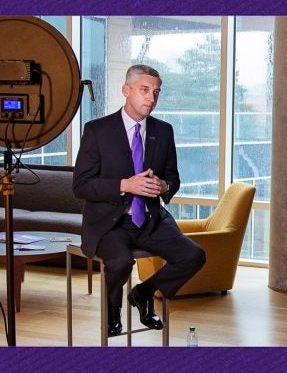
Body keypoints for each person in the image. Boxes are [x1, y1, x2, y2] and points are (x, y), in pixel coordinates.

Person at [73, 64, 206, 337]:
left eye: (156, 92)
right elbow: (81, 185)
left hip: (151, 218)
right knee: (120, 262)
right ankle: (112, 311)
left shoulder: (164, 131)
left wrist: (164, 185)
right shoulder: (97, 130)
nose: (151, 98)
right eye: (144, 90)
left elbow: (173, 178)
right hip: (110, 221)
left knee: (194, 255)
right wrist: (125, 185)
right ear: (126, 90)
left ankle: (143, 293)